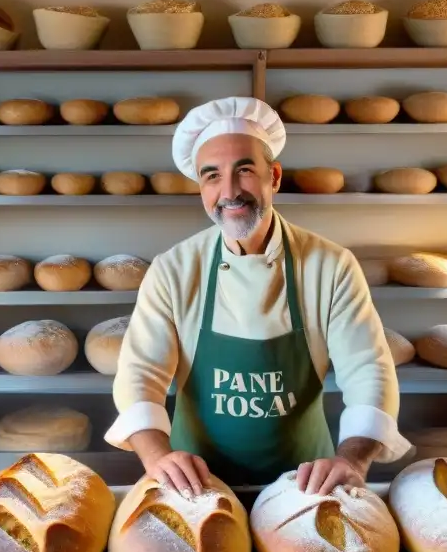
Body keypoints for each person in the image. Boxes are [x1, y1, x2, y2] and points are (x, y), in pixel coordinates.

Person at [104, 96, 409, 497]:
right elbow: (140, 373)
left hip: (305, 488)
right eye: (211, 176)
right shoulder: (174, 269)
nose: (229, 191)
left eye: (244, 170)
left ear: (275, 176)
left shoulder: (331, 266)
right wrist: (156, 455)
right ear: (201, 188)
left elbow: (368, 370)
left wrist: (352, 460)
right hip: (197, 486)